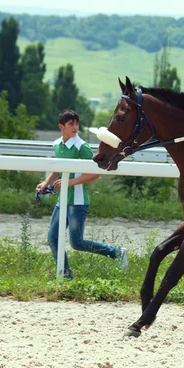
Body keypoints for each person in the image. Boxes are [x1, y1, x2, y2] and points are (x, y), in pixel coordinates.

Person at [37, 109, 127, 279]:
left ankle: (116, 253)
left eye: (77, 123)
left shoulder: (82, 147)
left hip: (78, 202)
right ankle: (65, 275)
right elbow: (59, 168)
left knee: (77, 243)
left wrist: (69, 183)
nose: (75, 127)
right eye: (71, 124)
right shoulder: (57, 145)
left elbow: (95, 173)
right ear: (61, 126)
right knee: (53, 238)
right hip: (63, 200)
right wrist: (46, 182)